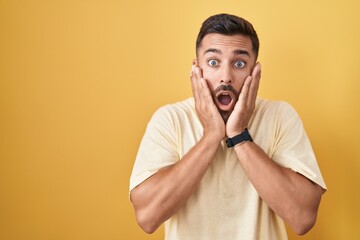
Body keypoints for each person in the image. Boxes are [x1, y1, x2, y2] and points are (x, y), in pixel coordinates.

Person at [129, 13, 326, 240]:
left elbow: (302, 218)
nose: (226, 76)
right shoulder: (170, 119)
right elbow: (147, 217)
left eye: (239, 63)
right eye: (213, 62)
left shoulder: (280, 116)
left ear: (255, 72)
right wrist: (212, 135)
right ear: (197, 69)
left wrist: (239, 135)